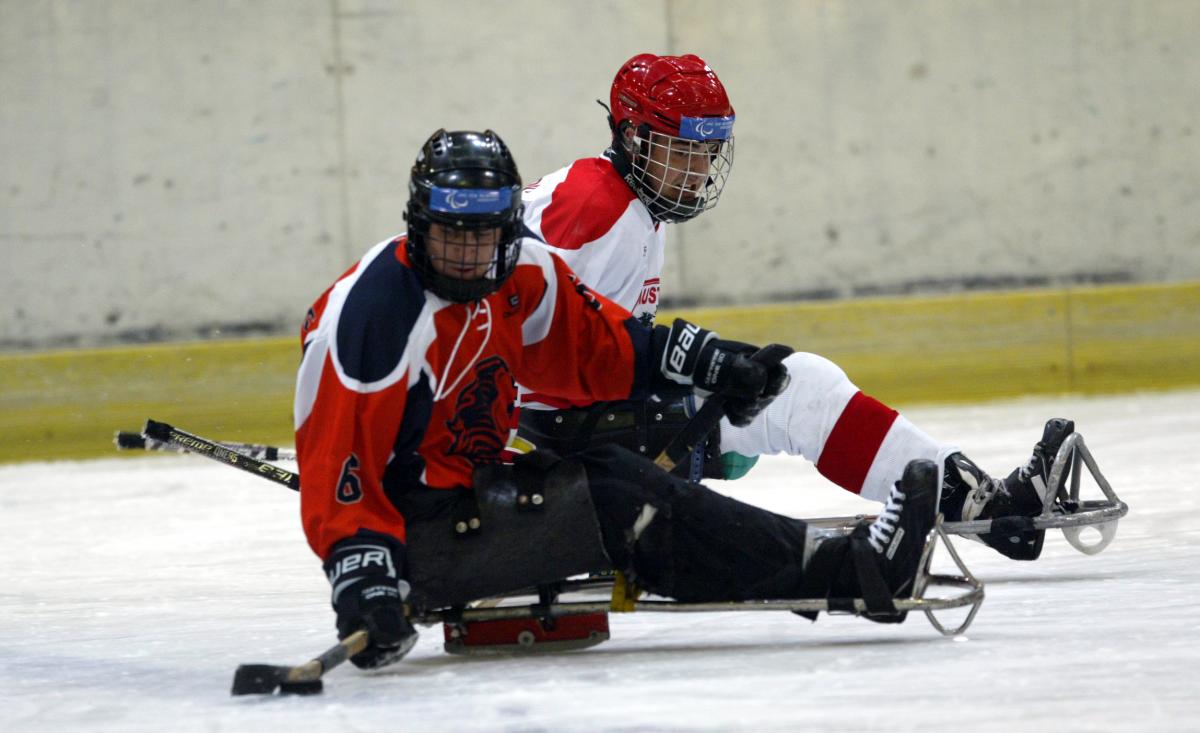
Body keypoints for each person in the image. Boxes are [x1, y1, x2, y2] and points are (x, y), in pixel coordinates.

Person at [294, 128, 941, 669]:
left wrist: (716, 362)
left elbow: (601, 350)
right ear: (419, 223)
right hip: (418, 533)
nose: (468, 254)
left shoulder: (522, 271)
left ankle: (838, 565)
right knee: (619, 501)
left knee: (609, 473)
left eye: (483, 235)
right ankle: (854, 574)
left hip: (474, 484)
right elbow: (340, 467)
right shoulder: (372, 315)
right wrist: (365, 579)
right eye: (451, 234)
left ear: (506, 227)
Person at [517, 52, 1074, 562]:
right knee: (799, 391)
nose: (699, 171)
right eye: (683, 150)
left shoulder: (618, 199)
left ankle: (979, 500)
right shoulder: (597, 211)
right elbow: (531, 344)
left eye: (708, 152)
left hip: (577, 418)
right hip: (564, 435)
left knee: (790, 388)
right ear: (634, 138)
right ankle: (987, 510)